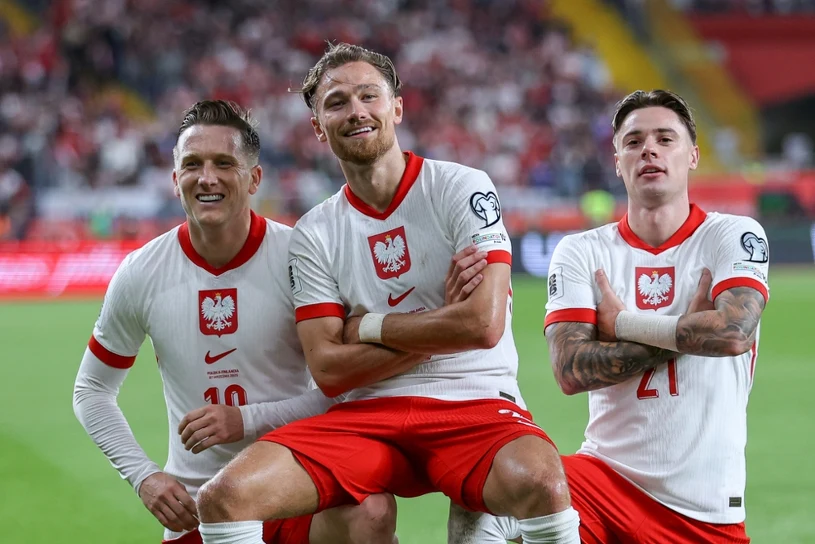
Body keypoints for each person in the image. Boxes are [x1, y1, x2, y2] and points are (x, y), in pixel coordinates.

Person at [194, 43, 581, 544]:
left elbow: (483, 326)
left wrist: (368, 327)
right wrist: (443, 321)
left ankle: (486, 514)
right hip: (367, 413)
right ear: (318, 127)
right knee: (223, 498)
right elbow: (329, 370)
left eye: (368, 96)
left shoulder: (460, 186)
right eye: (336, 103)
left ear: (396, 107)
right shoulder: (315, 232)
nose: (355, 111)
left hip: (473, 401)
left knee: (545, 484)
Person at [72, 100, 400, 544]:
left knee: (372, 512)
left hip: (294, 488)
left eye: (224, 163)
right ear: (175, 180)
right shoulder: (141, 272)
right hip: (195, 508)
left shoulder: (301, 257)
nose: (207, 177)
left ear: (254, 179)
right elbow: (92, 391)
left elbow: (350, 388)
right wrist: (144, 476)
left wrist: (245, 420)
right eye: (192, 165)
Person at [447, 89, 767, 543]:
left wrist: (622, 325)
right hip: (604, 482)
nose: (649, 149)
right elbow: (570, 369)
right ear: (618, 162)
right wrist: (684, 330)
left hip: (703, 508)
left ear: (693, 155)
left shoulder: (732, 235)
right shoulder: (582, 251)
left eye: (665, 139)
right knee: (486, 488)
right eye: (634, 142)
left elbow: (733, 333)